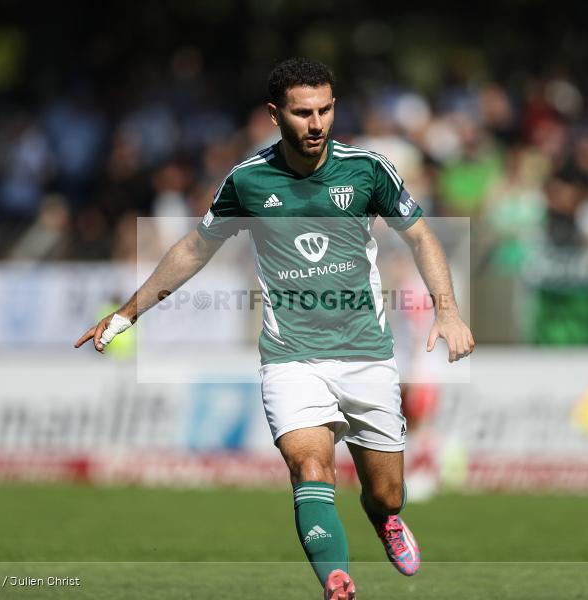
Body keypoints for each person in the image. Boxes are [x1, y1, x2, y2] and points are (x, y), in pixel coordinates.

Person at [75, 57, 474, 600]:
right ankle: (335, 579)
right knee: (309, 464)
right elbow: (195, 247)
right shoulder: (247, 180)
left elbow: (423, 236)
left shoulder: (368, 169)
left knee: (388, 492)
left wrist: (447, 309)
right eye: (303, 112)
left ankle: (384, 519)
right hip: (291, 358)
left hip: (367, 355)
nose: (317, 124)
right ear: (274, 114)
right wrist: (127, 312)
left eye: (326, 110)